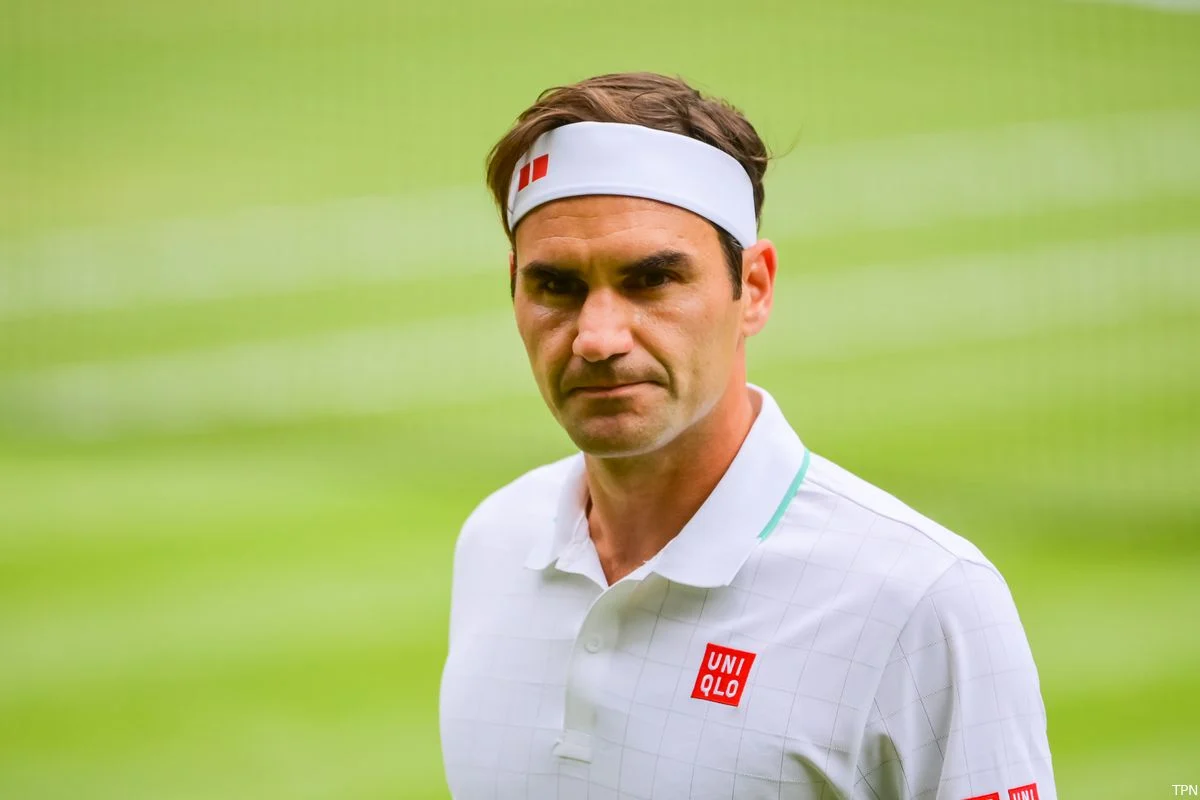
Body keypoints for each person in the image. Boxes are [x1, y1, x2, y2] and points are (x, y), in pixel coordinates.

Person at [438, 71, 1056, 800]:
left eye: (652, 280)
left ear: (753, 287)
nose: (598, 338)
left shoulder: (923, 600)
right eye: (556, 286)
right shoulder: (494, 541)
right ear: (514, 287)